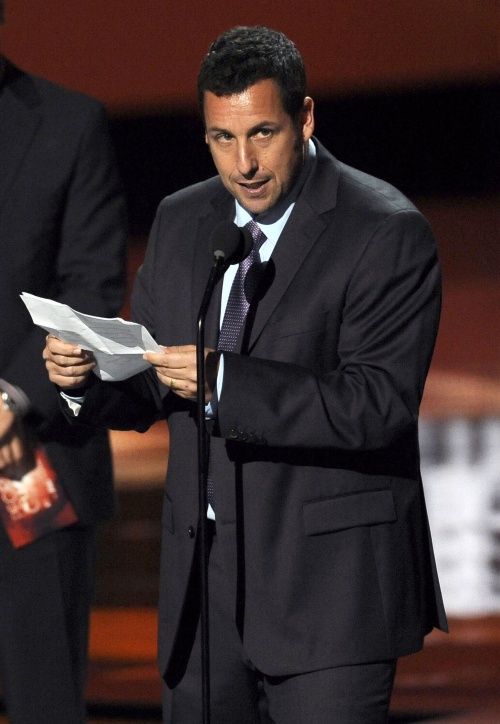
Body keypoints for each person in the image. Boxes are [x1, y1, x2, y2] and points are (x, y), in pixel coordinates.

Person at [44, 25, 448, 724]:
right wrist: (86, 378)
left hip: (328, 594)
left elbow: (376, 404)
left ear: (305, 117)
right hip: (203, 597)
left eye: (263, 133)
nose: (244, 164)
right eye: (222, 138)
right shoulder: (182, 219)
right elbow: (158, 380)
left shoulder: (384, 230)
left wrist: (226, 384)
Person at [0, 2, 127, 722]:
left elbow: (90, 288)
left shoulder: (67, 124)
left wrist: (10, 398)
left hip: (28, 455)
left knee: (43, 697)